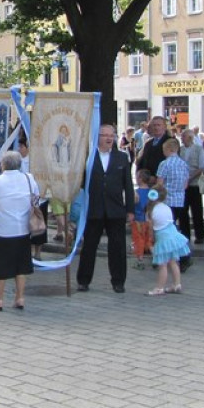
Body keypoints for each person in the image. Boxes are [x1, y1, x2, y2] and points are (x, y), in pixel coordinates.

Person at [77, 124, 133, 293]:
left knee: (118, 248)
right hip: (94, 209)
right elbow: (80, 183)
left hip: (115, 210)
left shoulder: (122, 158)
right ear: (97, 137)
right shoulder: (88, 157)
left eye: (112, 135)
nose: (109, 138)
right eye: (105, 135)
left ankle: (118, 281)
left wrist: (130, 209)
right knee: (89, 247)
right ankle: (83, 280)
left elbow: (128, 186)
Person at [0, 151, 36, 310]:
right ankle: (20, 298)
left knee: (0, 266)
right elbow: (37, 198)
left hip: (2, 230)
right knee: (21, 266)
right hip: (23, 229)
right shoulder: (29, 179)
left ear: (3, 165)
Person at [145, 185, 190, 295]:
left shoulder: (150, 212)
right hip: (173, 235)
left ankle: (159, 288)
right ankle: (176, 284)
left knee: (162, 265)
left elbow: (151, 229)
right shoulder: (166, 207)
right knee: (173, 262)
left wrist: (151, 241)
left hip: (163, 238)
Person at [155, 138, 191, 271]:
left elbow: (159, 184)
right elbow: (186, 184)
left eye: (164, 150)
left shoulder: (164, 164)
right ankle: (181, 257)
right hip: (180, 200)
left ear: (169, 150)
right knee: (174, 229)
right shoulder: (183, 164)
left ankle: (177, 257)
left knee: (166, 230)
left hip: (167, 201)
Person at [178, 129, 204, 244]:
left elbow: (201, 167)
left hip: (194, 184)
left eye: (183, 137)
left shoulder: (199, 149)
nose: (181, 139)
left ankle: (199, 236)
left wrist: (189, 178)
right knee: (183, 211)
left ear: (189, 138)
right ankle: (185, 235)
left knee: (197, 210)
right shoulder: (181, 150)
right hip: (182, 186)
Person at [131, 169, 156, 269]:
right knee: (149, 240)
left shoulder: (136, 193)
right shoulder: (152, 193)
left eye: (137, 177)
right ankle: (155, 257)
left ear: (140, 179)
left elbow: (133, 206)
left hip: (138, 220)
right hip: (149, 220)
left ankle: (140, 260)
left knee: (139, 240)